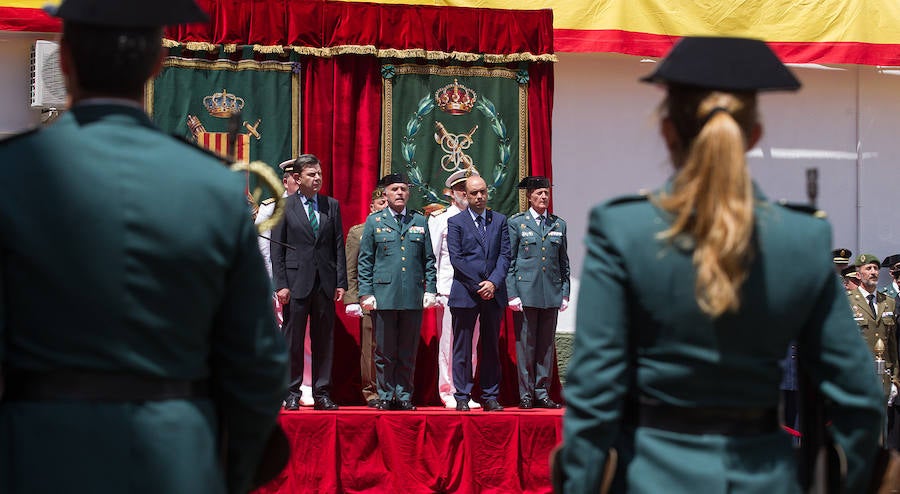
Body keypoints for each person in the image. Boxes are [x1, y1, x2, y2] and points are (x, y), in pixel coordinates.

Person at [558, 37, 883, 493]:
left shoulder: (624, 230)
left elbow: (593, 393)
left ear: (668, 130)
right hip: (766, 478)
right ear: (754, 136)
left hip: (652, 477)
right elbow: (859, 398)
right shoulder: (802, 237)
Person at [0, 0, 289, 492]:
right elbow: (256, 361)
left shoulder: (11, 174)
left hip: (37, 451)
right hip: (176, 453)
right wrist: (227, 469)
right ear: (157, 62)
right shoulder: (213, 186)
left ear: (64, 58)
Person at [272, 153, 347, 411]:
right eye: (311, 175)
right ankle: (291, 391)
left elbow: (338, 244)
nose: (317, 179)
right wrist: (280, 284)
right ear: (297, 178)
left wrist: (341, 281)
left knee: (323, 339)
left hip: (324, 282)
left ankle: (322, 392)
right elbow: (277, 251)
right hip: (295, 283)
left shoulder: (331, 205)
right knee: (292, 339)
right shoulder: (285, 207)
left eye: (319, 174)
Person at [358, 173, 437, 410]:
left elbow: (429, 259)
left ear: (408, 193)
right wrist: (366, 292)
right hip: (384, 295)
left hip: (412, 295)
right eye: (395, 189)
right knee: (383, 351)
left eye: (403, 189)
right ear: (386, 194)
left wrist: (430, 289)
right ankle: (385, 394)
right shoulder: (375, 221)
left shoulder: (419, 221)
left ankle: (403, 396)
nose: (400, 193)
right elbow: (365, 260)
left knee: (407, 351)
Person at [447, 175, 511, 412]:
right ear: (465, 194)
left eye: (483, 192)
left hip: (493, 294)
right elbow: (457, 259)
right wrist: (479, 285)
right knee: (462, 347)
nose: (480, 197)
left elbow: (505, 256)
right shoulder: (456, 222)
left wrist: (493, 283)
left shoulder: (500, 220)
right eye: (474, 193)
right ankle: (462, 395)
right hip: (466, 292)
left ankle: (490, 395)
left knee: (491, 346)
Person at [506, 176, 569, 409]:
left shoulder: (558, 224)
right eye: (539, 193)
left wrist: (565, 292)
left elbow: (564, 262)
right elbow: (510, 261)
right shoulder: (517, 223)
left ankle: (541, 392)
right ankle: (525, 394)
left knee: (546, 347)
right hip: (525, 293)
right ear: (529, 196)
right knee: (526, 346)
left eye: (546, 193)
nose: (544, 197)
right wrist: (512, 293)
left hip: (550, 293)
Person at [428, 167, 482, 409]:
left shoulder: (480, 219)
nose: (464, 193)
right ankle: (447, 389)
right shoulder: (441, 219)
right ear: (452, 193)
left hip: (477, 290)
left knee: (472, 343)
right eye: (460, 189)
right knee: (449, 343)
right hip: (450, 288)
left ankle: (465, 390)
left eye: (466, 189)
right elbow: (432, 256)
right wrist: (434, 290)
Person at [344, 186, 389, 407]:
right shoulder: (358, 232)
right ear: (372, 206)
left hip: (393, 296)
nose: (385, 208)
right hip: (369, 296)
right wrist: (352, 299)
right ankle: (371, 392)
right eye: (381, 204)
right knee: (371, 347)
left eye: (388, 204)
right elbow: (350, 269)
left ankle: (390, 390)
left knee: (392, 345)